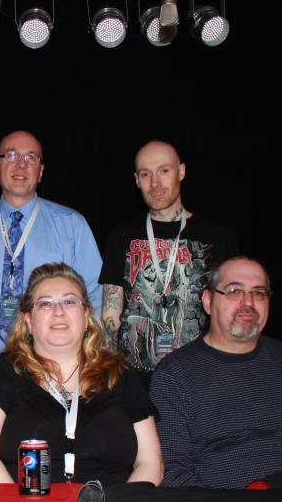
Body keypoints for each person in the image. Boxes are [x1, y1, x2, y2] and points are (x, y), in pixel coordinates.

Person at [150, 256, 282, 490]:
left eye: (259, 293)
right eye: (234, 291)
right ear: (208, 301)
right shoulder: (175, 375)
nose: (248, 302)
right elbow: (171, 468)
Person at [0, 130, 103, 406]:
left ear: (40, 172)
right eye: (11, 155)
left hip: (57, 370)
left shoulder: (71, 225)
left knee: (55, 451)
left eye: (31, 158)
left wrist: (86, 361)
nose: (21, 164)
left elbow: (94, 298)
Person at [0, 263, 163, 487]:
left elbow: (151, 464)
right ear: (29, 320)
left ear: (86, 315)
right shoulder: (4, 370)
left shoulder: (120, 374)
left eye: (69, 301)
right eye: (45, 304)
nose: (58, 311)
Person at [101, 140, 237, 385]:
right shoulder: (121, 235)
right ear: (136, 180)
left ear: (181, 172)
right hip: (133, 381)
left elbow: (229, 305)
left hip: (201, 376)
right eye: (146, 174)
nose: (155, 184)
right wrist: (108, 373)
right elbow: (111, 310)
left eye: (164, 171)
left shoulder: (217, 235)